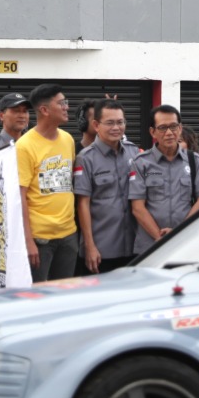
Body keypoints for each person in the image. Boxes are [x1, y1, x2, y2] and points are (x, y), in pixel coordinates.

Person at [17, 84, 77, 282]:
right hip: (39, 238)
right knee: (38, 297)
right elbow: (20, 196)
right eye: (61, 103)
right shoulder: (24, 146)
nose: (66, 107)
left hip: (68, 235)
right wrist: (28, 241)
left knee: (64, 295)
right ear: (44, 110)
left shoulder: (68, 139)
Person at [130, 105, 199, 252]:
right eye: (162, 128)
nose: (169, 133)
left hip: (185, 244)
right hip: (150, 246)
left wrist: (178, 233)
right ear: (152, 132)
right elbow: (137, 208)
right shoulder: (141, 162)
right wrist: (160, 238)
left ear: (180, 128)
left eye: (173, 126)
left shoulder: (194, 160)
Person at [73, 99, 141, 273]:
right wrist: (89, 246)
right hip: (102, 249)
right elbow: (83, 204)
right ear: (96, 125)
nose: (116, 127)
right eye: (110, 123)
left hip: (135, 246)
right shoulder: (85, 158)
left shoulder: (134, 153)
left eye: (120, 122)